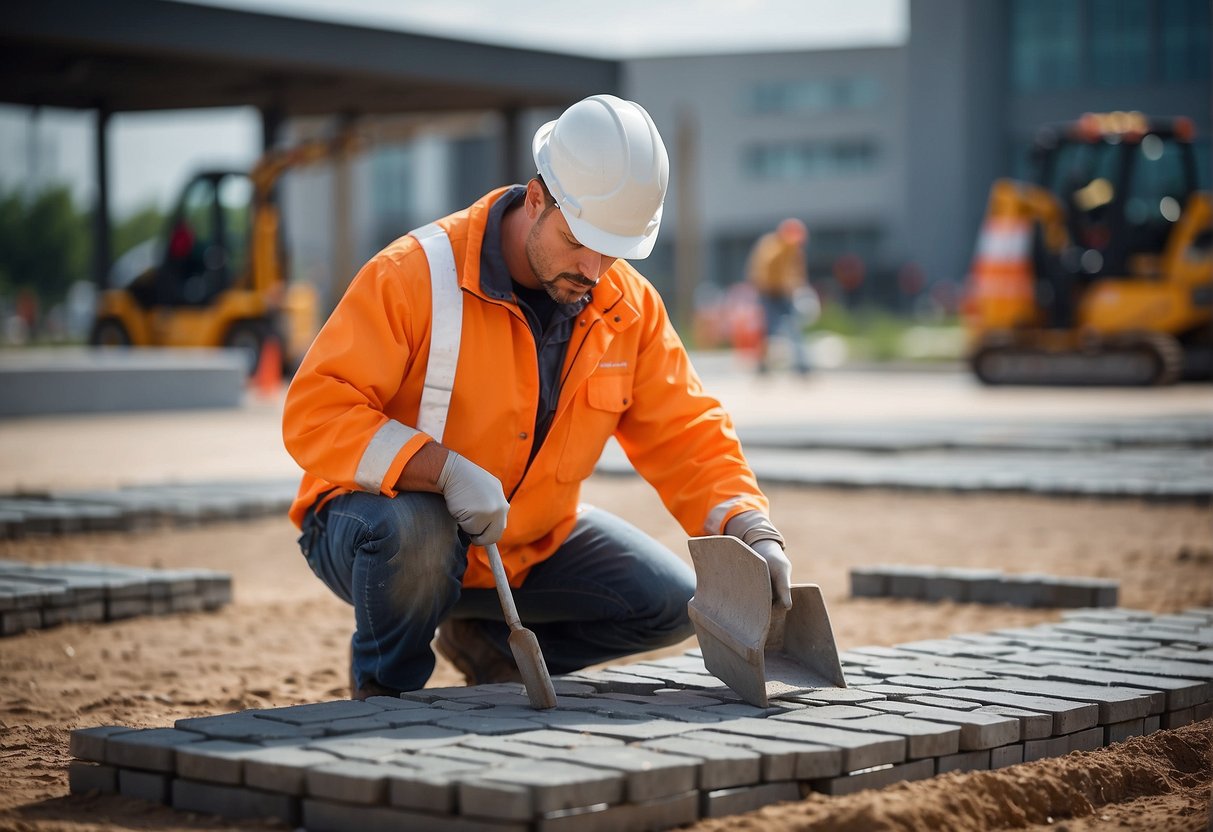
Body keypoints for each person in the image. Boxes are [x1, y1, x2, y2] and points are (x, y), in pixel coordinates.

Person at [283, 94, 793, 699]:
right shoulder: (414, 275)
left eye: (614, 249)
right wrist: (438, 470)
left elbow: (686, 432)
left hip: (522, 548)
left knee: (668, 602)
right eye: (581, 240)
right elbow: (315, 412)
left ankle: (490, 650)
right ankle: (385, 695)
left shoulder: (626, 307)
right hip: (375, 529)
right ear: (535, 198)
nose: (595, 268)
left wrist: (747, 524)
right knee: (417, 533)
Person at [746, 218, 815, 376]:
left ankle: (802, 364)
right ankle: (763, 364)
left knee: (794, 328)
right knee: (769, 331)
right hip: (769, 293)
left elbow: (798, 273)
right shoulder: (771, 246)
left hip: (785, 294)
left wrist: (798, 288)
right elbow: (761, 269)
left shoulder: (795, 250)